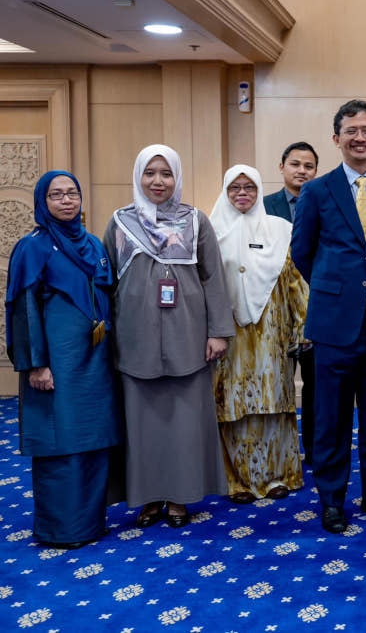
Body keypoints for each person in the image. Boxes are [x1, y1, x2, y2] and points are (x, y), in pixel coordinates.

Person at [290, 99, 366, 534]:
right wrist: (335, 287)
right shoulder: (316, 192)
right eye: (351, 130)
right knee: (331, 417)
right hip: (333, 324)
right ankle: (332, 499)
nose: (360, 137)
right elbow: (302, 252)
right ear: (336, 138)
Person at [104, 144, 234, 529]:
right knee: (141, 427)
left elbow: (213, 278)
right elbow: (106, 281)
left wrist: (219, 332)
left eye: (166, 174)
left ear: (176, 178)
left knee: (183, 425)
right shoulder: (119, 222)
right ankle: (146, 498)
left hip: (189, 339)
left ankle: (180, 497)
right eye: (150, 173)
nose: (157, 181)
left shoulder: (196, 221)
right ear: (138, 176)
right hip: (135, 340)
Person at [5, 171, 123, 549]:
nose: (67, 200)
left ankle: (91, 523)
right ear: (44, 202)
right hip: (56, 362)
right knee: (61, 441)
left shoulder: (93, 245)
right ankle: (62, 529)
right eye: (57, 195)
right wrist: (36, 364)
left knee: (94, 436)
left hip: (95, 359)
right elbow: (23, 310)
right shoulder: (32, 247)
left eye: (72, 193)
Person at [211, 164, 308, 503]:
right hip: (229, 334)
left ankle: (279, 475)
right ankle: (239, 481)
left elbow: (296, 280)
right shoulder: (211, 232)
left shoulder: (280, 229)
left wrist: (303, 324)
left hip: (272, 332)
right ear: (225, 192)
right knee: (234, 407)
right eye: (234, 187)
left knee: (273, 403)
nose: (242, 193)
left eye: (249, 187)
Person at [264, 141, 319, 466]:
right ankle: (280, 453)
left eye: (309, 166)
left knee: (314, 390)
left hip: (314, 311)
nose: (301, 171)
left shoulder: (321, 204)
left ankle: (313, 451)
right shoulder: (264, 205)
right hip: (274, 311)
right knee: (277, 385)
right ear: (282, 167)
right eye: (295, 164)